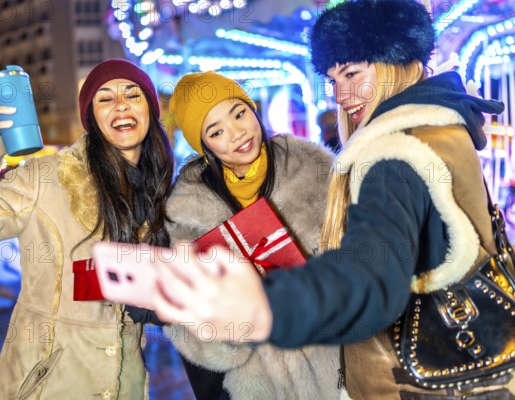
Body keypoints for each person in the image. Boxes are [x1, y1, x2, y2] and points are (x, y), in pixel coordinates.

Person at [150, 1, 514, 399]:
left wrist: (260, 302)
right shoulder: (440, 124)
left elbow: (369, 281)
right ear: (203, 147)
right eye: (333, 79)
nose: (341, 95)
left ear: (392, 62)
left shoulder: (390, 155)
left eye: (353, 73)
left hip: (407, 377)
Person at [0, 59, 173, 399]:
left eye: (133, 94)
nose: (121, 104)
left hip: (126, 384)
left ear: (150, 111)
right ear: (91, 119)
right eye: (105, 98)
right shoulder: (47, 179)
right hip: (50, 383)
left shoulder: (162, 191)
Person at [165, 71, 341, 399]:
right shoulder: (187, 216)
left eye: (239, 113)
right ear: (205, 146)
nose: (237, 134)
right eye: (216, 131)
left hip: (338, 374)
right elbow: (191, 328)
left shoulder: (315, 170)